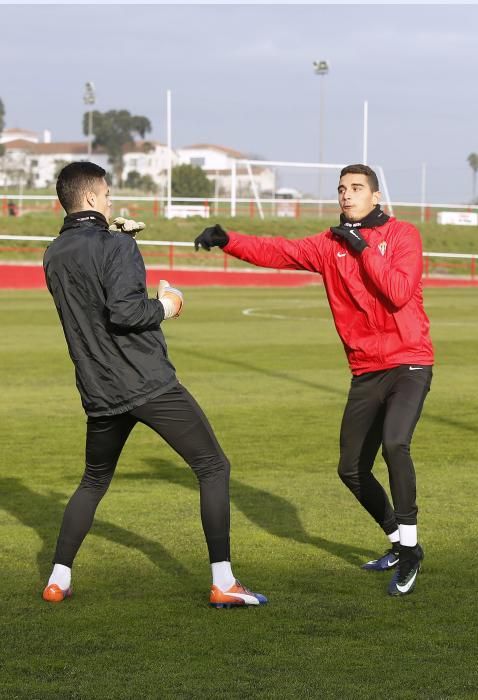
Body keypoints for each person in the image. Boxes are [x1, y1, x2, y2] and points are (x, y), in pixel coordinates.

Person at [195, 164, 434, 597]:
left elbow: (398, 292)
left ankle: (412, 549)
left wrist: (362, 247)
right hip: (365, 369)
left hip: (409, 362)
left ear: (376, 197)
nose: (346, 195)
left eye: (357, 188)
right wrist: (228, 240)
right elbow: (278, 251)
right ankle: (398, 542)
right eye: (342, 189)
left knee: (396, 443)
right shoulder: (329, 245)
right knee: (351, 469)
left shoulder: (403, 236)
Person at [42, 161, 267, 609]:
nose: (110, 202)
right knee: (213, 468)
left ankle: (58, 578)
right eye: (106, 195)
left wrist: (116, 241)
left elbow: (92, 302)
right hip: (147, 383)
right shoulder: (117, 245)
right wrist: (167, 303)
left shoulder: (53, 252)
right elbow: (126, 314)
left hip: (98, 389)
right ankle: (223, 581)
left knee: (93, 481)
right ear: (90, 199)